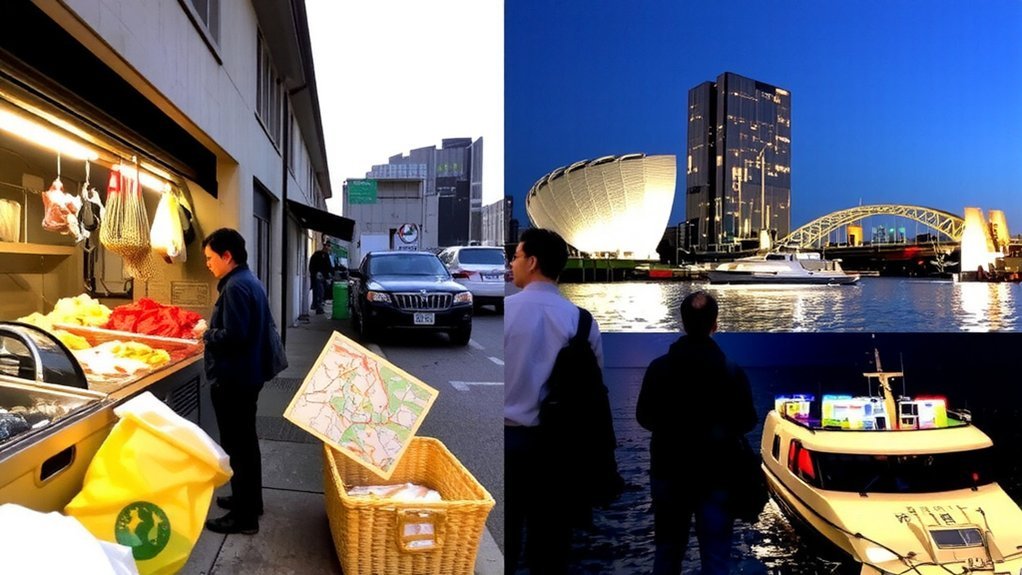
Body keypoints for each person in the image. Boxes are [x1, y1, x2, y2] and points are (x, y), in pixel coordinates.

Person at [504, 227, 604, 574]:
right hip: (559, 450)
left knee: (508, 540)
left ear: (532, 262)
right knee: (551, 547)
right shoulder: (583, 322)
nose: (511, 263)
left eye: (515, 256)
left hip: (510, 441)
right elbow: (594, 390)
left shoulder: (507, 312)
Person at [636, 290, 756, 575]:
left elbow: (644, 417)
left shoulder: (658, 368)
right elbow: (747, 421)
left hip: (668, 471)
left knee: (667, 553)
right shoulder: (732, 371)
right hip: (717, 475)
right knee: (716, 559)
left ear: (682, 322)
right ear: (715, 324)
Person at [202, 228, 274, 535]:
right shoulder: (247, 280)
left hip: (235, 379)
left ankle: (244, 518)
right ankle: (249, 501)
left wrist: (205, 334)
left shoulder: (235, 288)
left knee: (238, 445)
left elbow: (235, 336)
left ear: (227, 256)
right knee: (246, 443)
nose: (208, 264)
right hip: (247, 376)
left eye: (209, 258)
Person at [309, 241, 334, 314]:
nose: (329, 248)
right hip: (318, 277)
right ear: (325, 246)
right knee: (320, 292)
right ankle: (318, 307)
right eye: (328, 246)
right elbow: (328, 266)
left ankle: (316, 306)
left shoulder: (321, 255)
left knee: (319, 292)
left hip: (319, 277)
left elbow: (328, 267)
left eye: (329, 246)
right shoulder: (321, 255)